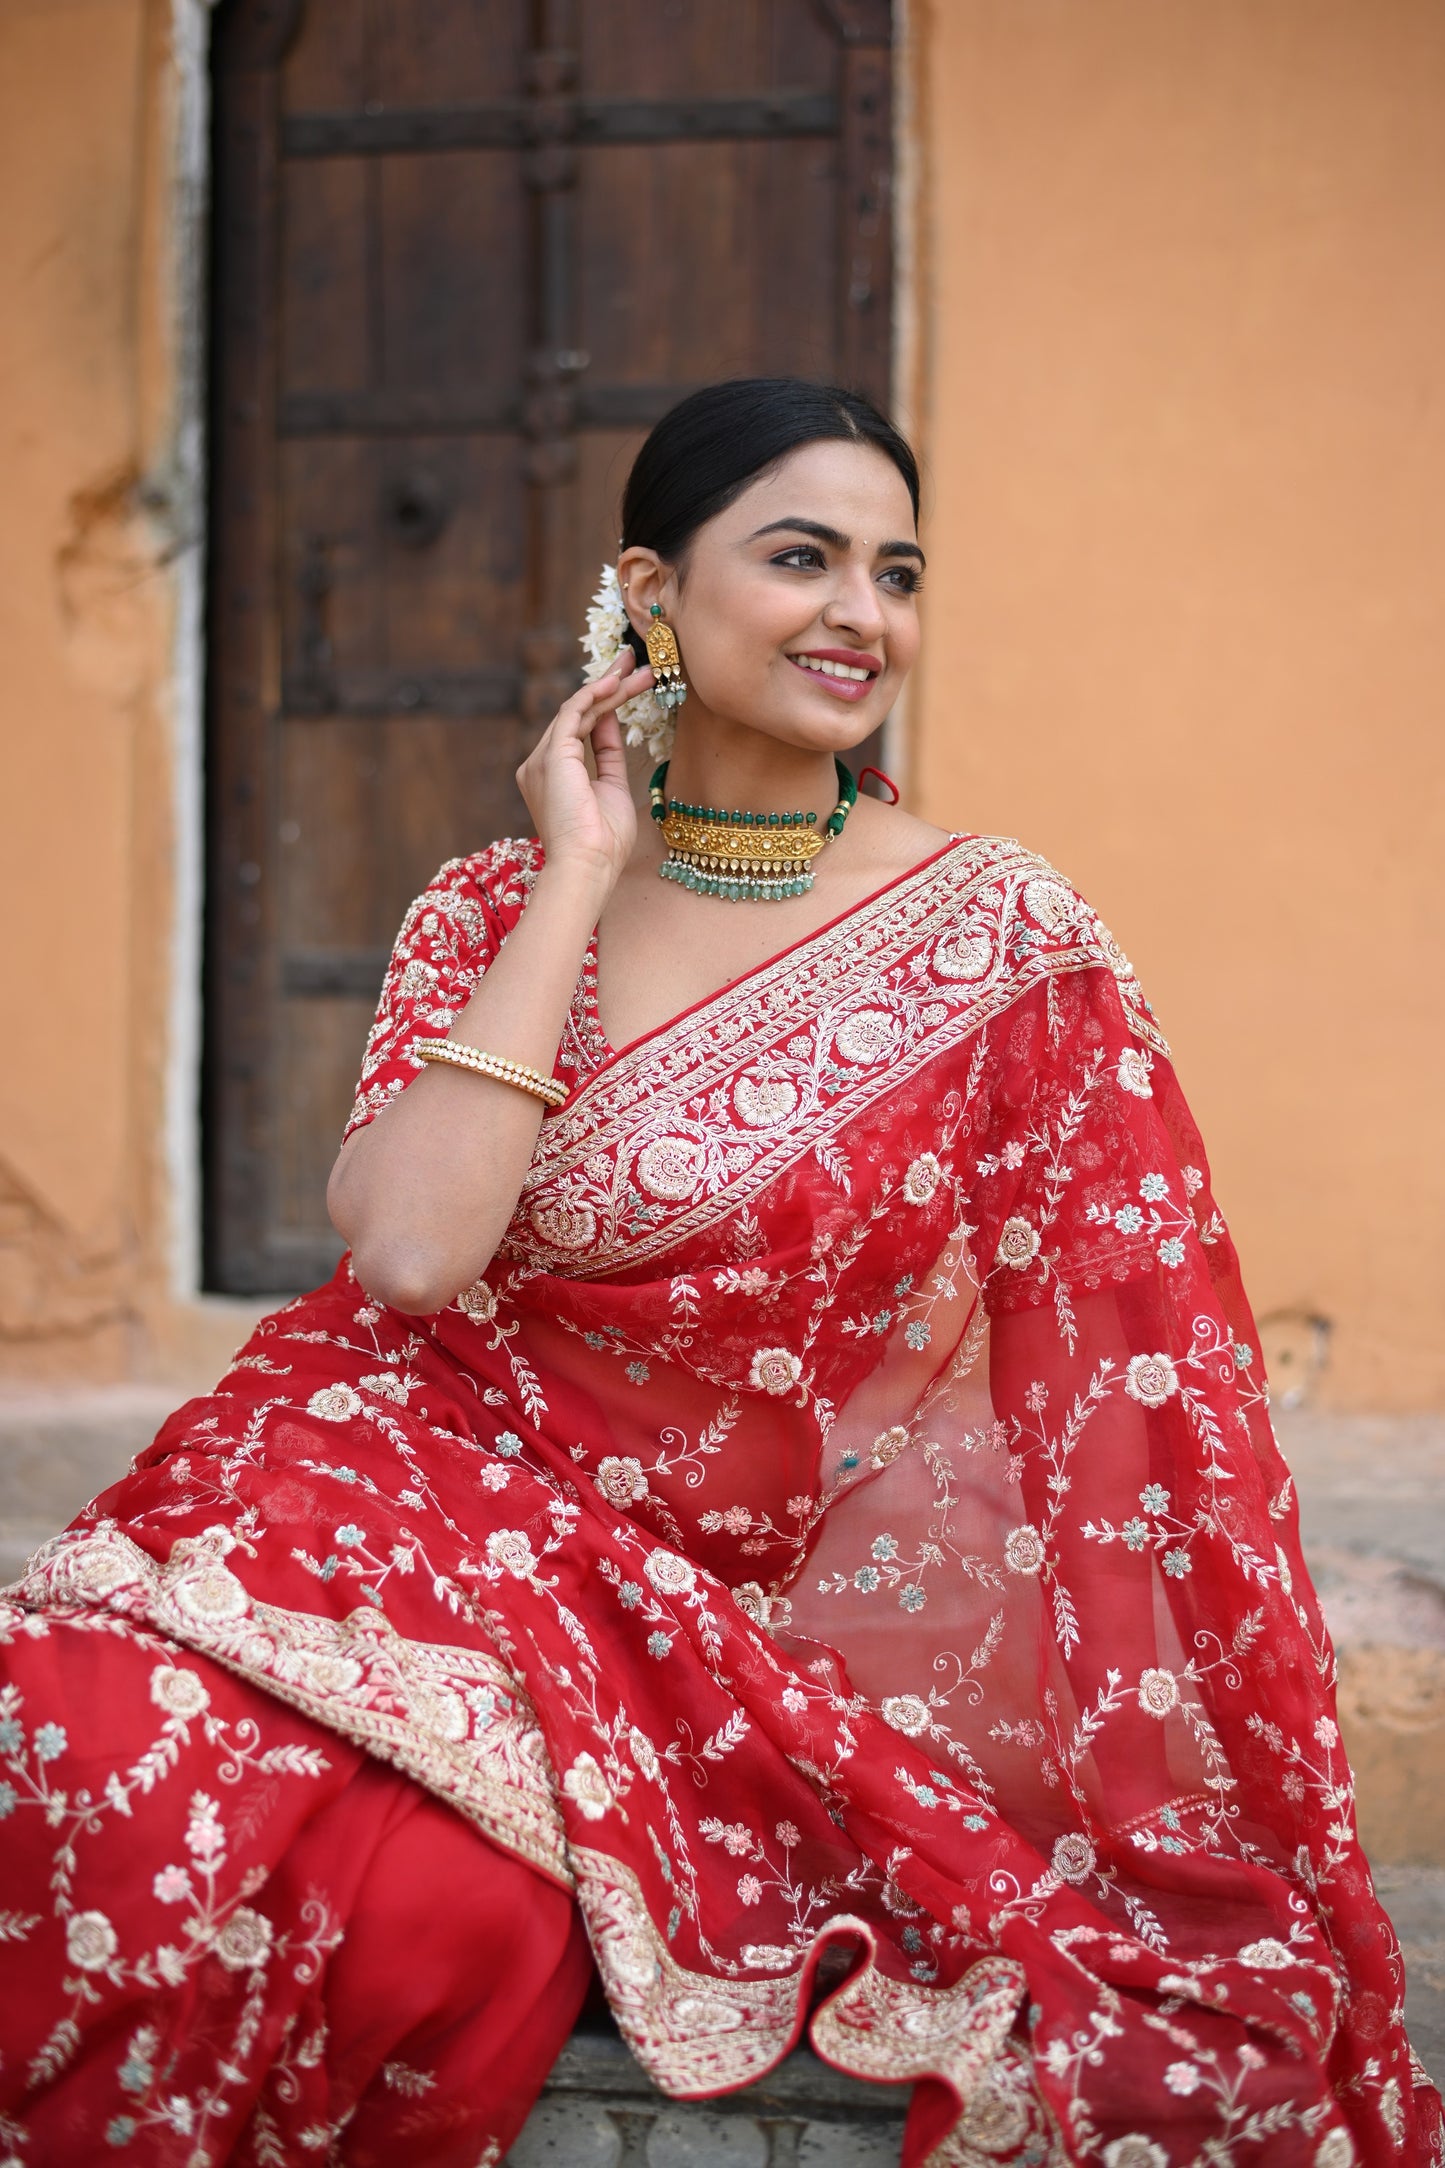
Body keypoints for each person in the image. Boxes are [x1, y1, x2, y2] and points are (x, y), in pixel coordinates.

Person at [1, 379, 1438, 2168]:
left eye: (895, 571)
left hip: (664, 1612)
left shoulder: (999, 942)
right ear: (650, 592)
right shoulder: (485, 909)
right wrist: (575, 876)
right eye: (800, 557)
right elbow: (413, 1256)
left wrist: (1102, 1761)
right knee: (77, 1743)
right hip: (364, 1486)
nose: (863, 612)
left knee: (425, 1919)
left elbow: (1128, 1391)